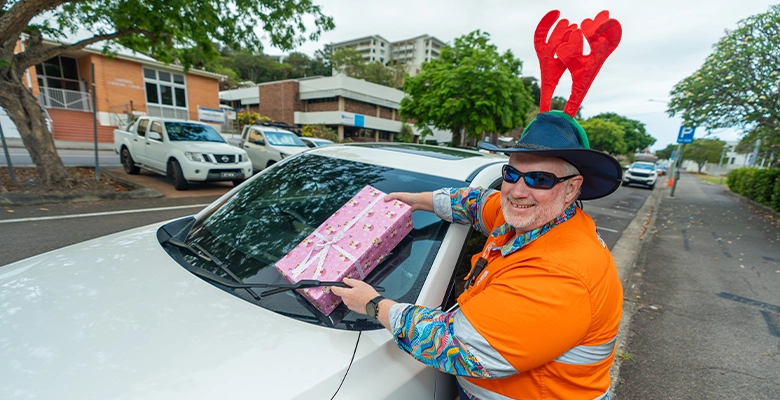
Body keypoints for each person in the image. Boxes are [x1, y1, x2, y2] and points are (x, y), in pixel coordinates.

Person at [331, 111, 625, 399]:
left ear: (572, 188)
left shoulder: (562, 272)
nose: (518, 191)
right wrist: (417, 200)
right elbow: (476, 202)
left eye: (540, 179)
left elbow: (454, 345)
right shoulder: (531, 216)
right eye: (511, 173)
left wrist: (374, 305)